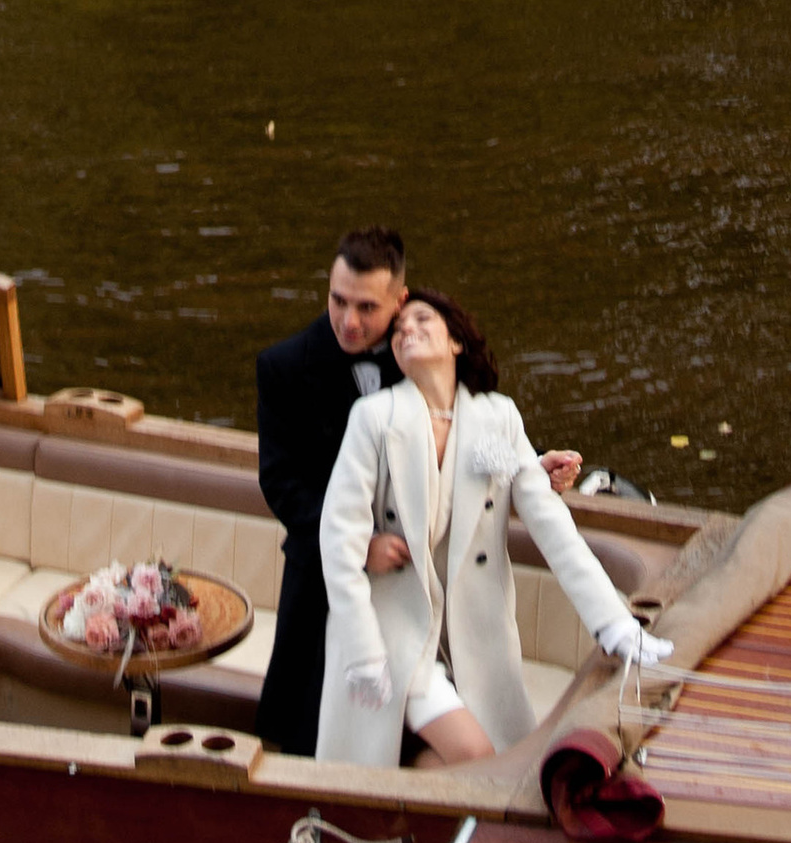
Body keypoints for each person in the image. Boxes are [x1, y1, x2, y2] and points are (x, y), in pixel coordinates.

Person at [315, 288, 667, 767]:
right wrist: (363, 652)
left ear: (457, 341)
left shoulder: (497, 417)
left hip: (475, 636)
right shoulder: (374, 417)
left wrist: (614, 624)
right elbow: (339, 538)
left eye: (422, 319)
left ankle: (405, 811)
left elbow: (551, 525)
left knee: (482, 767)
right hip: (392, 633)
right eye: (398, 329)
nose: (406, 330)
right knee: (474, 753)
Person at [253, 224, 407, 755]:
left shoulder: (424, 358)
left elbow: (475, 421)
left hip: (411, 580)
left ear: (400, 302)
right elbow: (281, 484)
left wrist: (534, 465)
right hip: (318, 577)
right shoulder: (282, 367)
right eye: (338, 301)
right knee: (304, 732)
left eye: (367, 307)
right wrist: (355, 546)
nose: (349, 320)